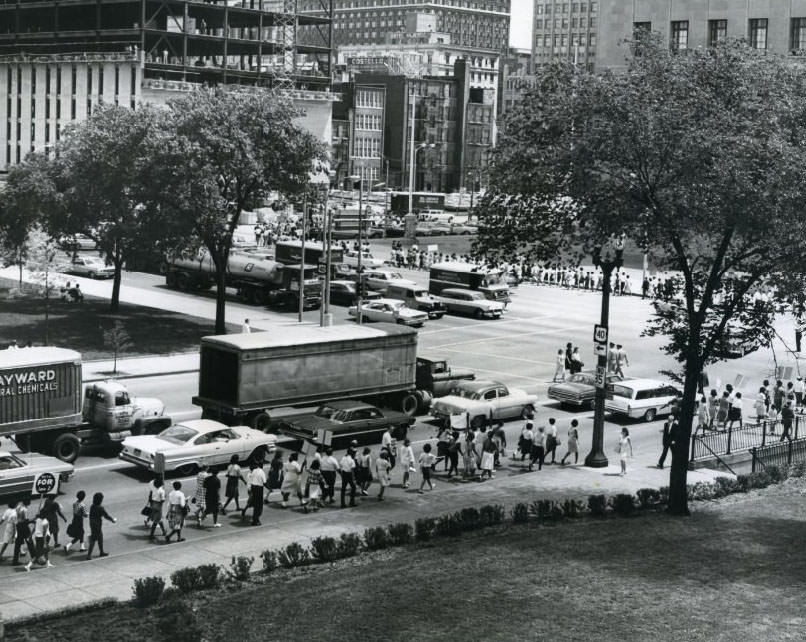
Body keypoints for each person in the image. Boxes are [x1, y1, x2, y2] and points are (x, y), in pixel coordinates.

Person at [86, 492, 115, 559]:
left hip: (92, 524)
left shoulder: (92, 506)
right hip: (97, 525)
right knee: (94, 539)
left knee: (100, 538)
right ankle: (89, 555)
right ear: (100, 500)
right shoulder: (100, 508)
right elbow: (106, 516)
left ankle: (101, 552)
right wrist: (112, 520)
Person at [242, 461, 267, 526]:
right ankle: (255, 519)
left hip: (252, 489)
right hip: (254, 489)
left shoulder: (252, 473)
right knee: (255, 504)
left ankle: (250, 514)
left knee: (253, 503)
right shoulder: (257, 472)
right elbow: (264, 482)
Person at [12, 500, 34, 565]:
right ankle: (34, 557)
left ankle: (15, 560)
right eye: (29, 501)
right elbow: (26, 521)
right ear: (26, 502)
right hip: (24, 527)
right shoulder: (25, 510)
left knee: (17, 544)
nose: (30, 502)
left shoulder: (18, 507)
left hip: (19, 526)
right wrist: (33, 520)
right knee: (30, 542)